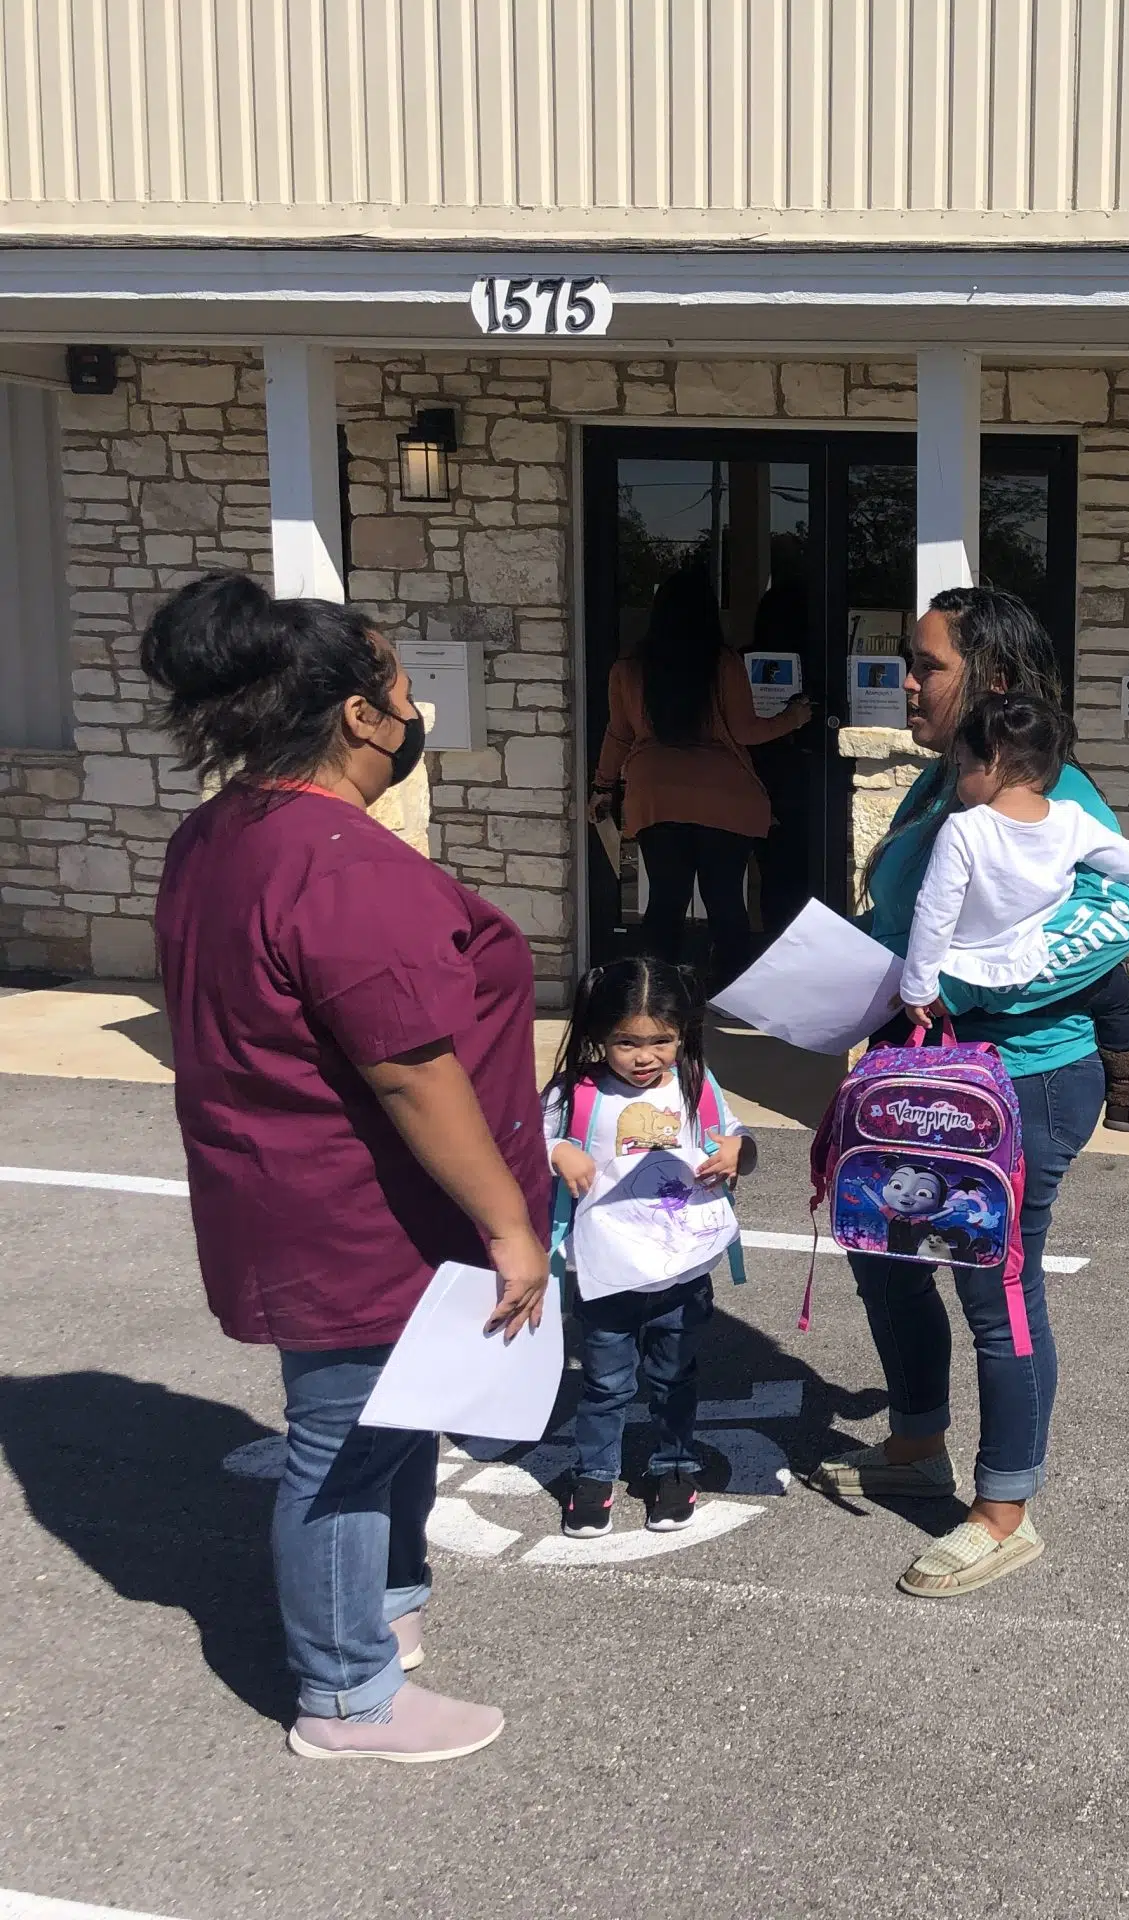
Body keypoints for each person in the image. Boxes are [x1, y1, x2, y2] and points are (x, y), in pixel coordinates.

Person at [143, 572, 550, 1765]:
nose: (414, 710)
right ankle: (346, 1695)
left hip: (283, 1180)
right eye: (403, 689)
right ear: (362, 718)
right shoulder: (339, 864)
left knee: (389, 1423)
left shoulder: (223, 832)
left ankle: (380, 1608)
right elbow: (412, 1069)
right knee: (346, 1441)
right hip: (354, 1206)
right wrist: (511, 1228)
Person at [821, 585, 1129, 1597]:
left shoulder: (1062, 801)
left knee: (993, 1284)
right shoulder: (941, 784)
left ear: (994, 683)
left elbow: (1111, 922)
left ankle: (1004, 1508)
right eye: (907, 660)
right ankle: (917, 1438)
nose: (906, 681)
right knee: (884, 1254)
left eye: (926, 665)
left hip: (1021, 1085)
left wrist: (933, 988)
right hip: (927, 1075)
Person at [896, 690, 1129, 1134]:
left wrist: (918, 986)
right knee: (1114, 989)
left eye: (964, 767)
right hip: (1036, 962)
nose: (960, 781)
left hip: (971, 970)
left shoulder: (965, 829)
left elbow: (935, 913)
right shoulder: (1071, 821)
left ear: (994, 759)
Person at [544, 956, 757, 1538]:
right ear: (597, 1036)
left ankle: (674, 1466)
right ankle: (594, 1475)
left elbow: (734, 1137)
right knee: (605, 1383)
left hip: (679, 1269)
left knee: (675, 1377)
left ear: (683, 1033)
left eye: (662, 1040)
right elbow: (529, 1142)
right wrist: (559, 1153)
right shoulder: (577, 1092)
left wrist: (737, 1152)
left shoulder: (696, 1084)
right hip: (605, 1272)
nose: (646, 1057)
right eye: (626, 1042)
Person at [593, 564, 812, 986]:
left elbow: (617, 735)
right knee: (726, 899)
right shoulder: (723, 663)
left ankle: (655, 992)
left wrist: (602, 786)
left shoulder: (627, 669)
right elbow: (748, 731)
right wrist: (796, 715)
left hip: (656, 796)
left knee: (665, 899)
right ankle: (731, 990)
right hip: (723, 798)